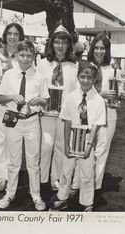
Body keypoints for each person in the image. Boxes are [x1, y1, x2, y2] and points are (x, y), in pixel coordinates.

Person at [0, 40, 49, 210]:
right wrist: (12, 96)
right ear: (16, 55)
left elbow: (45, 101)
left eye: (29, 55)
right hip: (14, 121)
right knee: (14, 161)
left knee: (33, 161)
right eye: (22, 54)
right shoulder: (9, 75)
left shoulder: (39, 77)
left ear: (34, 56)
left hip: (32, 121)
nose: (25, 58)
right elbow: (0, 98)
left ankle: (36, 195)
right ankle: (10, 194)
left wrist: (39, 100)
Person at [49, 60, 106, 211]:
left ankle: (87, 202)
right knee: (66, 170)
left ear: (95, 80)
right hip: (73, 137)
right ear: (78, 77)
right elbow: (67, 123)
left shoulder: (99, 101)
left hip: (87, 138)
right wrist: (67, 144)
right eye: (82, 77)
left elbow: (95, 126)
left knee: (87, 173)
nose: (85, 80)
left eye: (89, 78)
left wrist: (89, 146)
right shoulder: (70, 97)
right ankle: (62, 198)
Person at [0, 23, 24, 192]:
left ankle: (13, 173)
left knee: (13, 140)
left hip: (15, 103)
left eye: (16, 34)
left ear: (20, 37)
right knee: (0, 140)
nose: (12, 37)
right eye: (9, 34)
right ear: (5, 35)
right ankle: (2, 176)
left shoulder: (23, 55)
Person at [37, 25, 77, 191]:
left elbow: (76, 91)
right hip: (46, 112)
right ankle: (41, 177)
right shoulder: (42, 63)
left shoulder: (74, 66)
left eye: (64, 43)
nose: (60, 46)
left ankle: (56, 178)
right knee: (46, 145)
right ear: (52, 44)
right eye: (57, 42)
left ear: (68, 45)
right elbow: (37, 86)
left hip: (64, 114)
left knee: (61, 146)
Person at [87, 32, 124, 191]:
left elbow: (120, 89)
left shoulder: (113, 69)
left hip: (109, 114)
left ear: (107, 50)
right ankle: (84, 181)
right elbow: (78, 91)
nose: (99, 51)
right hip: (87, 114)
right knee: (86, 149)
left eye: (102, 48)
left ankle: (95, 186)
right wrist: (99, 95)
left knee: (101, 151)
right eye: (96, 48)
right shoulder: (86, 66)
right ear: (92, 49)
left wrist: (117, 94)